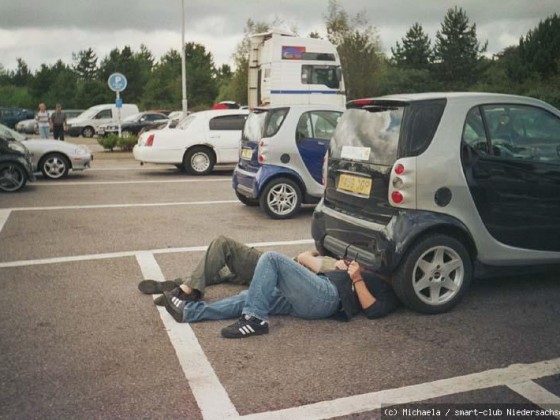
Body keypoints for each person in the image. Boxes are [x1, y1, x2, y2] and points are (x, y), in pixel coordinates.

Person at [161, 249, 398, 339]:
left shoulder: (388, 288)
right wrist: (334, 264)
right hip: (314, 291)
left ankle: (254, 320)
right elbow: (312, 264)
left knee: (272, 258)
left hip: (328, 298)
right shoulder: (356, 269)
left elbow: (374, 311)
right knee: (251, 296)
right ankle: (190, 311)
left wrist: (356, 278)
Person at [138, 235, 337, 306]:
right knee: (222, 270)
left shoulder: (340, 269)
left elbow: (305, 259)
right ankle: (180, 283)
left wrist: (306, 257)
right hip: (281, 271)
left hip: (278, 272)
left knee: (223, 245)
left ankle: (188, 290)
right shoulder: (340, 265)